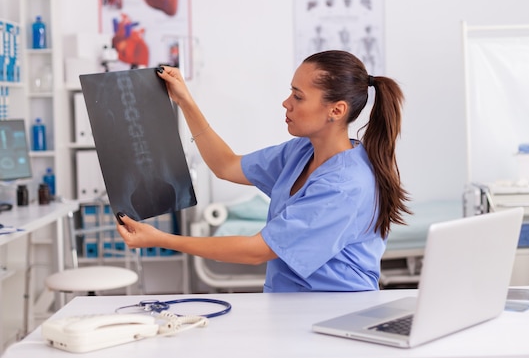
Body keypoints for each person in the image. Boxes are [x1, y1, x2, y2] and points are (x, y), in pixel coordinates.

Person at [116, 49, 411, 292]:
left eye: (298, 96)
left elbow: (256, 250)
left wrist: (160, 239)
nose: (286, 103)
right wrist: (184, 100)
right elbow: (226, 165)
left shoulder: (345, 185)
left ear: (336, 110)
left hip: (335, 314)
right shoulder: (301, 151)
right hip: (291, 308)